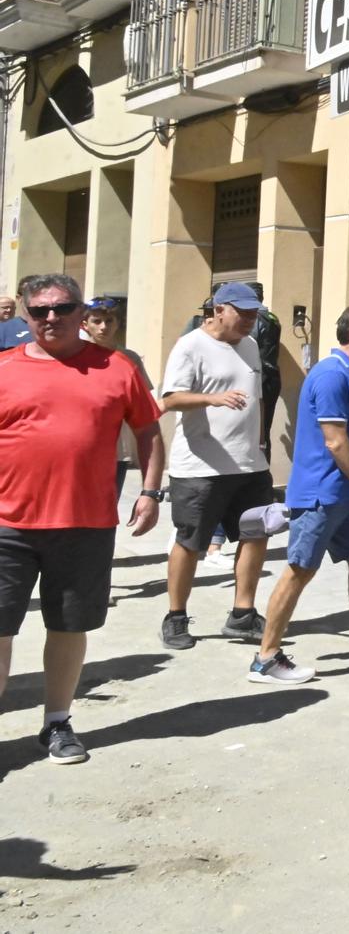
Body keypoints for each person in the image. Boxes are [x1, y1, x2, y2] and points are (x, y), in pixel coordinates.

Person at [0, 274, 163, 765]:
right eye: (41, 310)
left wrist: (151, 491)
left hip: (85, 523)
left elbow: (149, 432)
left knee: (69, 627)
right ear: (26, 316)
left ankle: (56, 721)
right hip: (7, 524)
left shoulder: (117, 367)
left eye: (64, 308)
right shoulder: (4, 368)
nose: (52, 318)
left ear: (79, 311)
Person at [250, 306, 349, 684]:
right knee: (299, 571)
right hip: (321, 495)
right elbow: (335, 440)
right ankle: (265, 659)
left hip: (346, 496)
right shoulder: (330, 375)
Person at [157, 281, 275, 651]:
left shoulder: (252, 345)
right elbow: (170, 399)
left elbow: (256, 400)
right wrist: (212, 398)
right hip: (200, 467)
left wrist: (259, 443)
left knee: (257, 536)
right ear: (219, 309)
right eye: (243, 313)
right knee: (191, 542)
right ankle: (175, 616)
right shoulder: (191, 346)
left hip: (249, 465)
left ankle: (242, 614)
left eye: (254, 314)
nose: (250, 320)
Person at [83, 299, 153, 499]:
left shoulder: (129, 358)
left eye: (109, 321)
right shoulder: (73, 356)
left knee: (107, 508)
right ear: (85, 324)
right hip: (81, 446)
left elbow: (144, 403)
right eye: (97, 321)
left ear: (118, 323)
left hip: (117, 449)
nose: (104, 327)